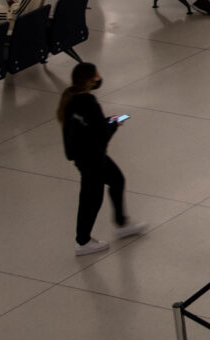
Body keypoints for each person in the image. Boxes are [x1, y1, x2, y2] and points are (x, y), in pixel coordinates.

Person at [60, 63, 146, 256]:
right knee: (91, 199)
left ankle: (122, 223)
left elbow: (87, 128)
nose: (99, 78)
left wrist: (106, 121)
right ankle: (82, 242)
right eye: (97, 76)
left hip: (85, 156)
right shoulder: (89, 103)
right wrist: (113, 124)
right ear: (90, 81)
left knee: (117, 180)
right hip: (93, 159)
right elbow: (100, 135)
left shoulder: (71, 102)